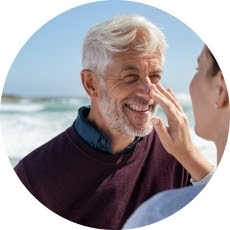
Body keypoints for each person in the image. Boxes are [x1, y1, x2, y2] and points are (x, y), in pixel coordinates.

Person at [14, 15, 213, 230]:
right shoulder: (33, 176)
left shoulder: (177, 154)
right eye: (130, 77)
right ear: (91, 84)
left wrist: (191, 157)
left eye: (155, 76)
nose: (148, 93)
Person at [123, 45, 229, 229]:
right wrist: (187, 154)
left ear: (220, 89)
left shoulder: (157, 215)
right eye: (130, 77)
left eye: (198, 69)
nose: (147, 89)